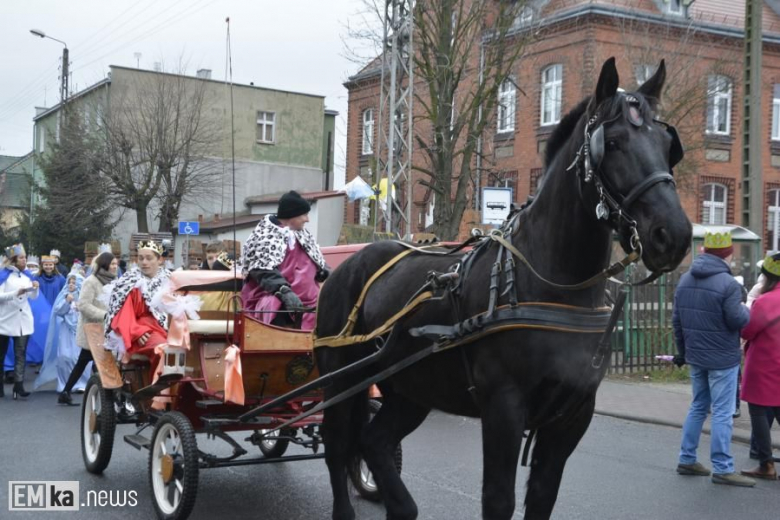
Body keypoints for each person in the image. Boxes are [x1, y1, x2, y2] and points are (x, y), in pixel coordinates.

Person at [672, 231, 755, 487]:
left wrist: (683, 353)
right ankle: (722, 467)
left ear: (704, 250)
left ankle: (687, 459)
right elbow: (738, 320)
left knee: (698, 407)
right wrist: (745, 308)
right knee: (722, 412)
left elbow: (677, 321)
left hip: (696, 356)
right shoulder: (729, 284)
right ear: (728, 253)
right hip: (723, 359)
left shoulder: (684, 280)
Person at [240, 191, 330, 330]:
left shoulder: (302, 234)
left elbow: (318, 260)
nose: (307, 220)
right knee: (275, 304)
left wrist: (325, 272)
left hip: (310, 302)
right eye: (304, 215)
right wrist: (283, 290)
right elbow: (262, 270)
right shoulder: (265, 236)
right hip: (277, 300)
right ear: (292, 216)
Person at [56, 252, 118, 406]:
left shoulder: (114, 281)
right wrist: (105, 315)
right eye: (113, 264)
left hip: (107, 330)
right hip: (93, 330)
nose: (115, 267)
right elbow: (83, 305)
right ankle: (107, 399)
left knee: (88, 363)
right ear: (104, 265)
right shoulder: (91, 281)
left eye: (116, 264)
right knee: (99, 364)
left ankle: (67, 392)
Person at [739, 252, 780, 479]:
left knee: (758, 412)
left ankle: (766, 464)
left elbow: (748, 331)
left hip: (764, 365)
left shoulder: (765, 301)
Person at [104, 240, 170, 373]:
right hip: (142, 331)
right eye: (141, 258)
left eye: (149, 258)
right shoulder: (130, 282)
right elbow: (123, 314)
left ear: (160, 260)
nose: (144, 262)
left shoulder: (170, 280)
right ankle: (158, 390)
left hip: (169, 329)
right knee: (163, 350)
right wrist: (137, 332)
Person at [35, 273, 86, 400]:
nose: (71, 284)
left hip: (80, 331)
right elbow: (58, 311)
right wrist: (67, 302)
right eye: (70, 282)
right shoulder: (63, 296)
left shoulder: (84, 297)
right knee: (64, 357)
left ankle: (80, 383)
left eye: (74, 282)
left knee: (77, 357)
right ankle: (64, 383)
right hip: (66, 331)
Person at [0, 244, 40, 399]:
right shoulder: (3, 275)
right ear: (14, 260)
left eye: (25, 257)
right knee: (1, 356)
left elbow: (33, 297)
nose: (25, 260)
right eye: (22, 258)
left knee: (20, 354)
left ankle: (19, 386)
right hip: (4, 320)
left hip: (23, 321)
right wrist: (16, 293)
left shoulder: (27, 276)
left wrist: (35, 288)